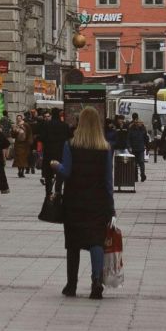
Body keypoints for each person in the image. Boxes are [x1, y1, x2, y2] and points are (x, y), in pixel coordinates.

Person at [50, 106, 115, 299]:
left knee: (73, 243)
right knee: (96, 241)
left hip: (74, 201)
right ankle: (96, 281)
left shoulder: (70, 145)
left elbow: (66, 172)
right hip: (97, 201)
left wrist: (55, 166)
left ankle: (71, 285)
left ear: (80, 124)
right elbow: (108, 181)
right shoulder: (105, 149)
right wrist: (111, 207)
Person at [41, 110, 72, 198]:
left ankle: (48, 192)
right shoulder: (64, 125)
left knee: (48, 174)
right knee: (60, 172)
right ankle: (58, 191)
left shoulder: (46, 125)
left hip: (48, 152)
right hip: (61, 152)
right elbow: (70, 136)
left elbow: (42, 137)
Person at [126, 114, 149, 182]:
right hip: (133, 149)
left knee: (141, 162)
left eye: (139, 123)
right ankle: (135, 177)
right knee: (134, 164)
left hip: (141, 148)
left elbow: (146, 139)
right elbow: (128, 139)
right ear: (135, 123)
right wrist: (129, 147)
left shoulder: (143, 129)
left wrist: (147, 148)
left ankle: (142, 175)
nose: (138, 124)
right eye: (137, 123)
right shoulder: (131, 129)